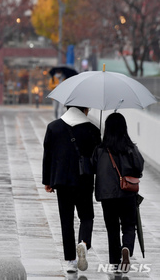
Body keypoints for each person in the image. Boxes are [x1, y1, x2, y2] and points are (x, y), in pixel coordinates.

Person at [42, 106, 101, 273]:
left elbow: (48, 155)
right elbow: (98, 159)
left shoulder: (54, 127)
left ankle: (70, 261)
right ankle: (84, 243)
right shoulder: (92, 129)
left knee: (66, 220)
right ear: (85, 109)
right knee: (87, 216)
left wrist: (48, 180)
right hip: (84, 180)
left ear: (67, 107)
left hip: (62, 181)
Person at [92, 112, 144, 273]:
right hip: (127, 193)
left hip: (107, 195)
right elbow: (139, 166)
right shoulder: (130, 148)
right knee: (129, 225)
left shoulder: (100, 150)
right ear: (124, 128)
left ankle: (115, 262)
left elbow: (93, 168)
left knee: (112, 229)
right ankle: (126, 247)